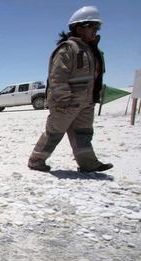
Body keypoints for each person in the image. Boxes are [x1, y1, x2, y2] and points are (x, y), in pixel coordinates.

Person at [28, 6, 112, 173]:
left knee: (83, 134)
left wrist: (94, 96)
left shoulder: (93, 51)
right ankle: (36, 161)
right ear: (79, 28)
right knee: (53, 133)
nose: (95, 30)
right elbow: (57, 77)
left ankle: (88, 164)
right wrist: (65, 100)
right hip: (66, 103)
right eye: (92, 26)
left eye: (97, 27)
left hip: (86, 102)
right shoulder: (68, 49)